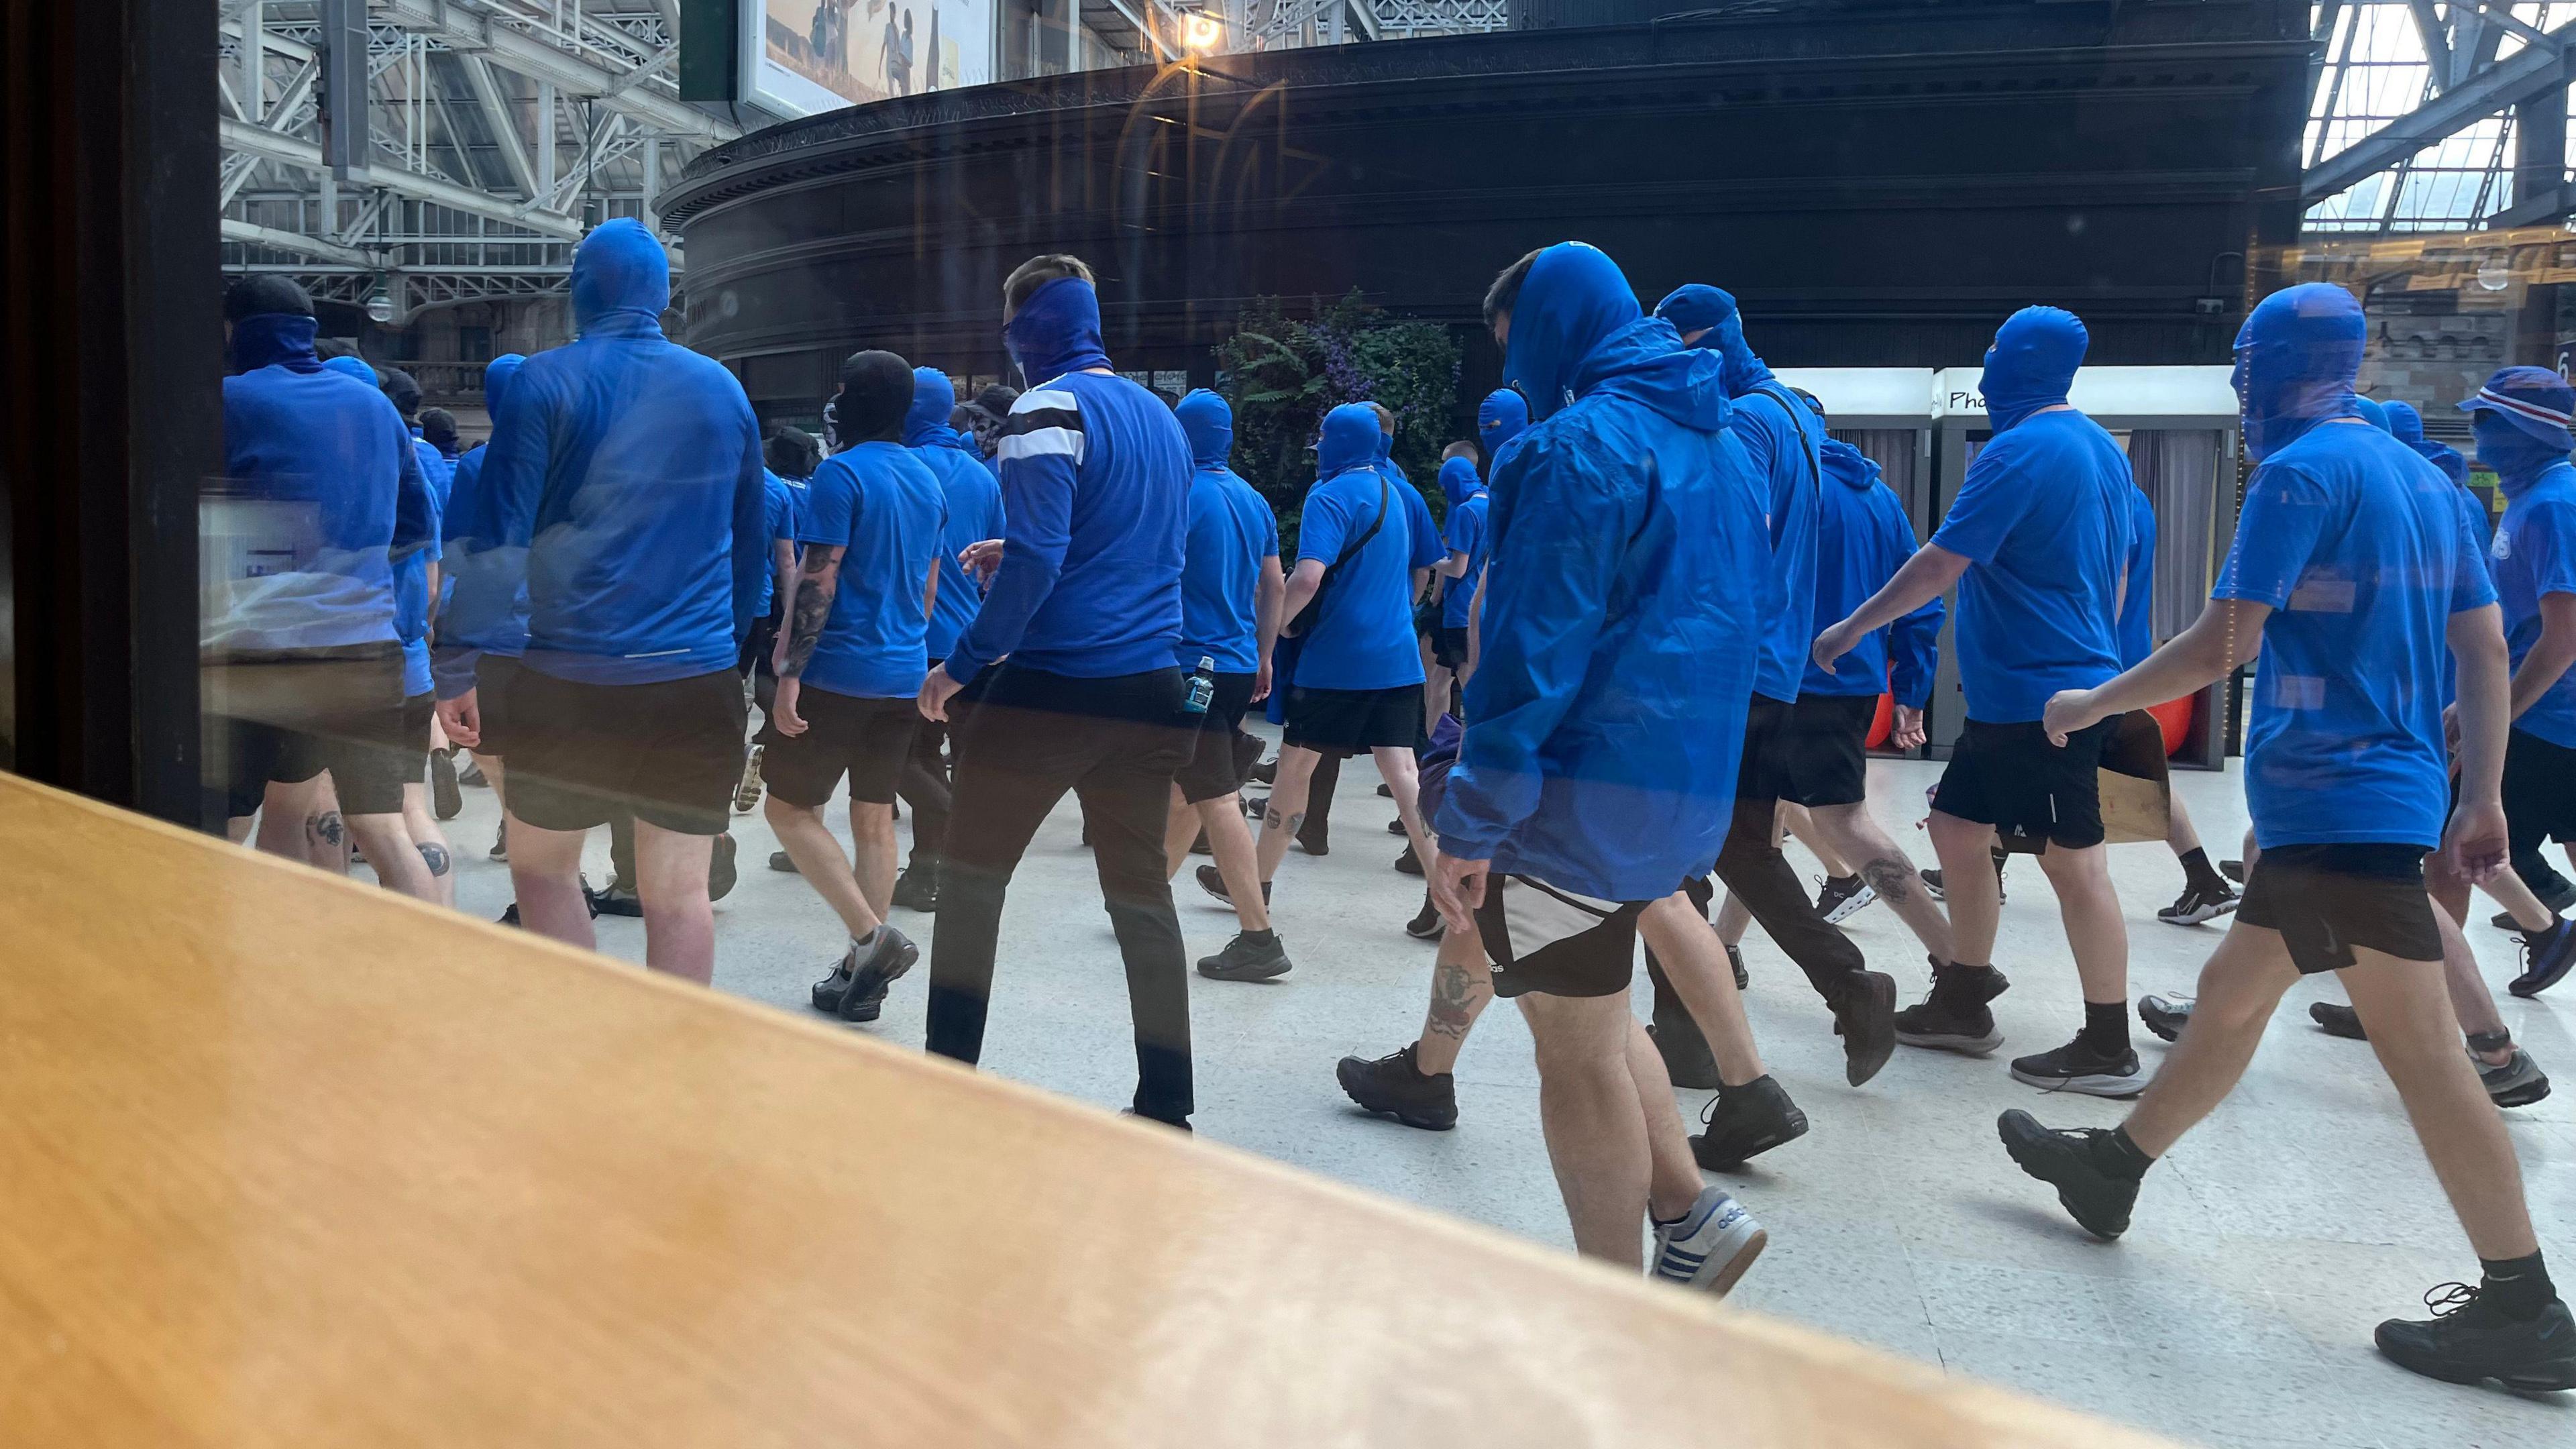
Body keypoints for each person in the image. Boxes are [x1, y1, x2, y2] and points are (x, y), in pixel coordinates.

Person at [2001, 282, 2573, 1391]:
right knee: (2231, 996)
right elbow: (2487, 653)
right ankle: (2114, 1169)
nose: (2237, 383)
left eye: (2247, 363)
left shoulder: (2301, 474)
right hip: (2379, 795)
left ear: (2283, 367)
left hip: (2336, 800)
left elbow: (2224, 642)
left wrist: (2089, 703)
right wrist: (2485, 792)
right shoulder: (2425, 481)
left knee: (2424, 1058)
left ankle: (2526, 1305)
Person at [1429, 241, 1782, 1288]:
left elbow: (1533, 654)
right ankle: (1686, 1211)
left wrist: (1472, 816)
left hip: (1573, 800)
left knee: (1573, 1055)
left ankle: (1612, 1311)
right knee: (1592, 1002)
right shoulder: (1727, 444)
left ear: (1540, 329)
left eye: (1511, 346)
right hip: (1676, 793)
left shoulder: (1571, 448)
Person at [1815, 305, 2141, 1096]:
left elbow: (1939, 563)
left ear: (2023, 362)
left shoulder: (2020, 450)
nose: (1987, 366)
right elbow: (2122, 568)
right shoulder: (2099, 448)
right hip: (2035, 692)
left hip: (2046, 698)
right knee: (1960, 829)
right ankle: (1964, 996)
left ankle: (2108, 1044)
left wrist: (1852, 628)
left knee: (2075, 864)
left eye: (1996, 352)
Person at [437, 219, 768, 985]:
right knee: (680, 895)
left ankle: (589, 1045)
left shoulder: (543, 381)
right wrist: (733, 649)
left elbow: (500, 538)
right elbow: (749, 540)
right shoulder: (722, 388)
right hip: (697, 678)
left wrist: (456, 665)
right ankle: (670, 1072)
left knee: (545, 871)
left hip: (572, 678)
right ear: (661, 294)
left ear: (584, 287)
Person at [914, 254, 1199, 1129]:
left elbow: (1040, 557)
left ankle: (947, 1086)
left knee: (971, 883)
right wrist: (1028, 555)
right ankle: (1168, 1102)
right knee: (1141, 897)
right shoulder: (1163, 419)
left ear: (1025, 330)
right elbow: (1127, 545)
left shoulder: (1046, 407)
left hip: (1054, 688)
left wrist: (961, 663)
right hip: (1152, 684)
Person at [1652, 284, 1896, 1089]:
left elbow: (1736, 539)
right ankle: (1848, 987)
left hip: (1726, 669)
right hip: (1772, 668)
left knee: (1680, 849)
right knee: (1740, 847)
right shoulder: (1792, 412)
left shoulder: (1748, 422)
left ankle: (1685, 1035)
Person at [207, 276, 439, 904]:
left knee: (223, 830)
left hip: (256, 653)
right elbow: (416, 526)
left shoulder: (225, 401)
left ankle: (227, 977)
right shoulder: (374, 407)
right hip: (365, 650)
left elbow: (192, 521)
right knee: (381, 831)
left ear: (235, 331)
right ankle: (428, 979)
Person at [767, 352, 948, 1022]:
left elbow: (819, 580)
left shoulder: (840, 475)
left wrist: (791, 673)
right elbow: (928, 589)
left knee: (786, 810)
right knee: (874, 818)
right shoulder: (928, 482)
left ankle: (872, 941)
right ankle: (856, 974)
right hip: (903, 670)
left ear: (849, 401)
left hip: (840, 670)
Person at [1768, 425, 1951, 975]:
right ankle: (1726, 946)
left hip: (1798, 683)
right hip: (1850, 685)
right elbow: (1922, 600)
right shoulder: (1878, 496)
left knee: (1845, 821)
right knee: (1759, 820)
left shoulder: (1784, 489)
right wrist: (1913, 688)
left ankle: (1958, 964)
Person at [1250, 403, 1442, 915]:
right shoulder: (1393, 494)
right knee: (1404, 774)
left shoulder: (1329, 496)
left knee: (1294, 772)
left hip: (1336, 661)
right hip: (1397, 657)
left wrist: (1273, 630)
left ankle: (1254, 891)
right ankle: (1445, 898)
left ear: (1333, 445)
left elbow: (1309, 576)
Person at [1163, 390, 1291, 981]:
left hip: (1193, 667)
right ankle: (1141, 897)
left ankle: (1258, 936)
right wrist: (1265, 655)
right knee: (1188, 786)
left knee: (1213, 793)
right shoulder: (1252, 498)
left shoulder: (1175, 494)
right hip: (1237, 666)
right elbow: (1275, 585)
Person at [2459, 368, 2576, 998]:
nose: (2477, 432)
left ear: (2524, 430)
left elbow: (2563, 637)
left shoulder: (2555, 505)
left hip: (2546, 716)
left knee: (2452, 838)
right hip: (2549, 713)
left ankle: (2543, 929)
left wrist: (2495, 714)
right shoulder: (2533, 497)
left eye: (2487, 420)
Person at [893, 368, 1006, 912]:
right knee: (956, 756)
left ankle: (929, 868)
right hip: (971, 643)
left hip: (914, 638)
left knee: (910, 756)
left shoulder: (901, 468)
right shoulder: (983, 476)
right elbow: (1003, 562)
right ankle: (952, 867)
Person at [2112, 478, 2241, 928]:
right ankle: (2204, 879)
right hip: (2119, 653)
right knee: (2141, 770)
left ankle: (2205, 879)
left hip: (2096, 658)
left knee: (2021, 753)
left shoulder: (2106, 496)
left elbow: (2113, 583)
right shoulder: (2137, 497)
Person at [433, 352, 530, 879]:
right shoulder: (581, 458)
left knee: (487, 745)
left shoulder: (477, 465)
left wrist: (451, 654)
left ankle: (517, 825)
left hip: (497, 638)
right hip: (569, 634)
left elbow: (459, 558)